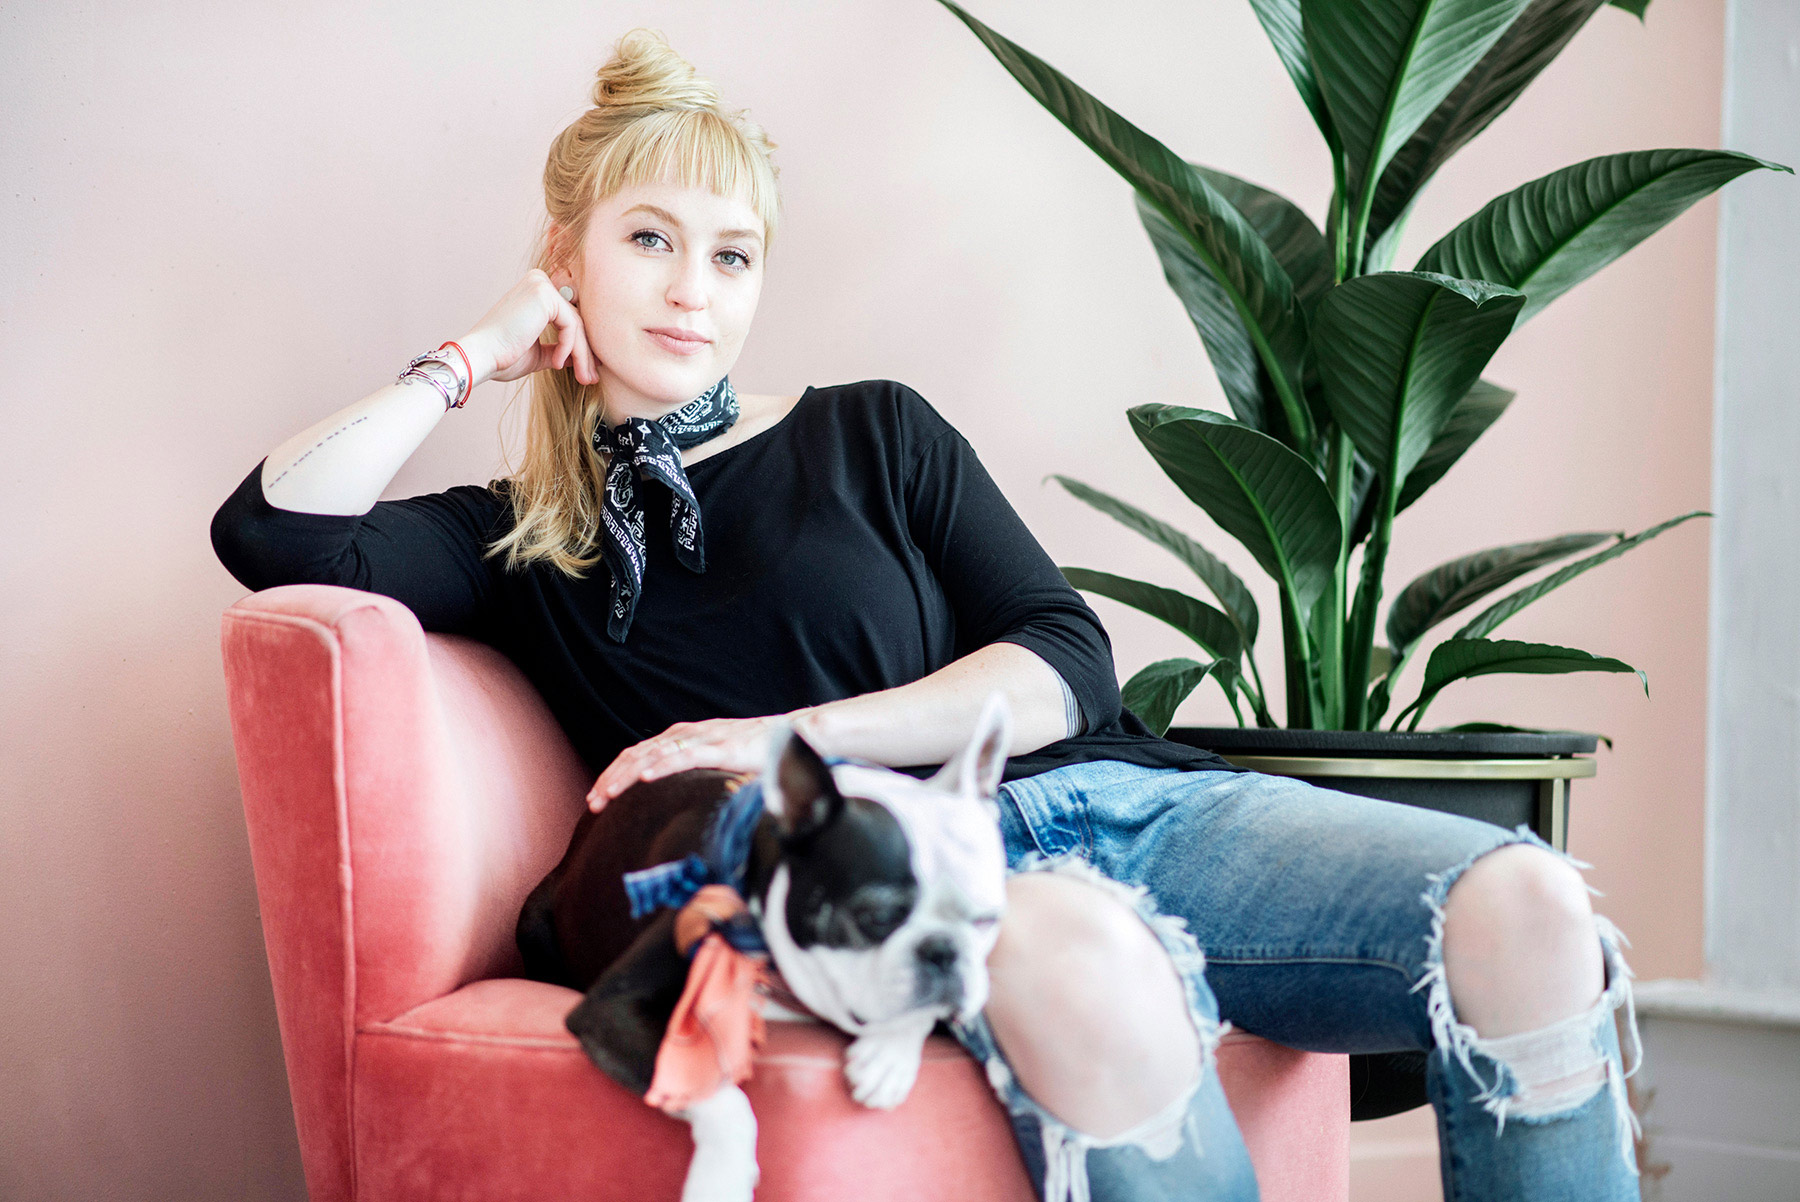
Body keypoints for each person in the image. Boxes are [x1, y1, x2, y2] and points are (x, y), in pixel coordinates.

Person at [209, 27, 1644, 1202]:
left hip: (1123, 798)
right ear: (569, 255)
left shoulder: (874, 430)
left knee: (1527, 902)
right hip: (935, 890)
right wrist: (481, 348)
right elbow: (269, 528)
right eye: (649, 239)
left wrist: (795, 734)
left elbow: (1069, 656)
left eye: (733, 253)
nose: (694, 290)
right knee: (1090, 964)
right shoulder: (525, 542)